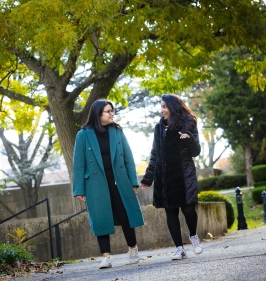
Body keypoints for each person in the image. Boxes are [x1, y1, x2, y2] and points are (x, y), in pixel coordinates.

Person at [72, 100, 144, 269]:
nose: (112, 114)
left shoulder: (117, 131)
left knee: (125, 215)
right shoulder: (83, 135)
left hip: (119, 180)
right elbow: (78, 164)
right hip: (96, 183)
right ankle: (106, 257)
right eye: (108, 111)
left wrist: (133, 182)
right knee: (100, 218)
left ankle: (133, 249)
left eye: (112, 111)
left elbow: (128, 158)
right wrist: (79, 189)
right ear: (98, 114)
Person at [140, 94, 203, 260]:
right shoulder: (159, 128)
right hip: (165, 176)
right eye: (161, 107)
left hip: (184, 174)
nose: (162, 111)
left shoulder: (188, 124)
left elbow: (196, 152)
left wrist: (188, 138)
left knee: (189, 209)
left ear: (173, 108)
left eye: (165, 107)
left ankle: (194, 236)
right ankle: (179, 248)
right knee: (171, 212)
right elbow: (155, 154)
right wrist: (148, 178)